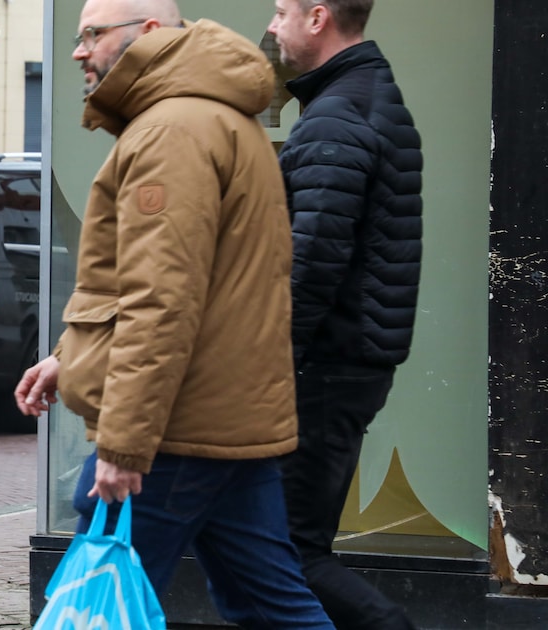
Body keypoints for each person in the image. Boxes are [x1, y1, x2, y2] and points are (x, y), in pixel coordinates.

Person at [15, 0, 334, 626]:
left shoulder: (171, 132)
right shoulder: (206, 118)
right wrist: (69, 357)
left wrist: (125, 447)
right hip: (223, 415)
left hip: (174, 429)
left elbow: (159, 300)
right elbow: (184, 287)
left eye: (93, 35)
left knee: (89, 609)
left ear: (150, 34)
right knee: (272, 605)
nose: (79, 51)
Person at [267, 1, 423, 628]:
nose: (272, 26)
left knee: (291, 553)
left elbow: (310, 267)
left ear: (318, 17)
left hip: (323, 369)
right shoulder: (359, 98)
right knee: (284, 549)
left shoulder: (338, 116)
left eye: (281, 12)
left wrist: (265, 368)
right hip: (341, 364)